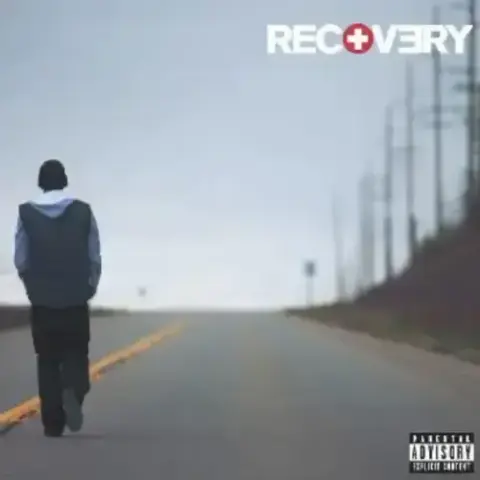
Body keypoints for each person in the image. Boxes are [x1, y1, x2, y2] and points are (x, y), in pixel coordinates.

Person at [13, 159, 102, 437]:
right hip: (75, 297)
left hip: (42, 300)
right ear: (64, 180)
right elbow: (94, 255)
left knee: (47, 359)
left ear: (40, 181)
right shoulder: (83, 211)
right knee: (76, 351)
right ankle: (74, 390)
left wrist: (31, 285)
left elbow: (21, 258)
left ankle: (52, 423)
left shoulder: (26, 213)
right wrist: (91, 285)